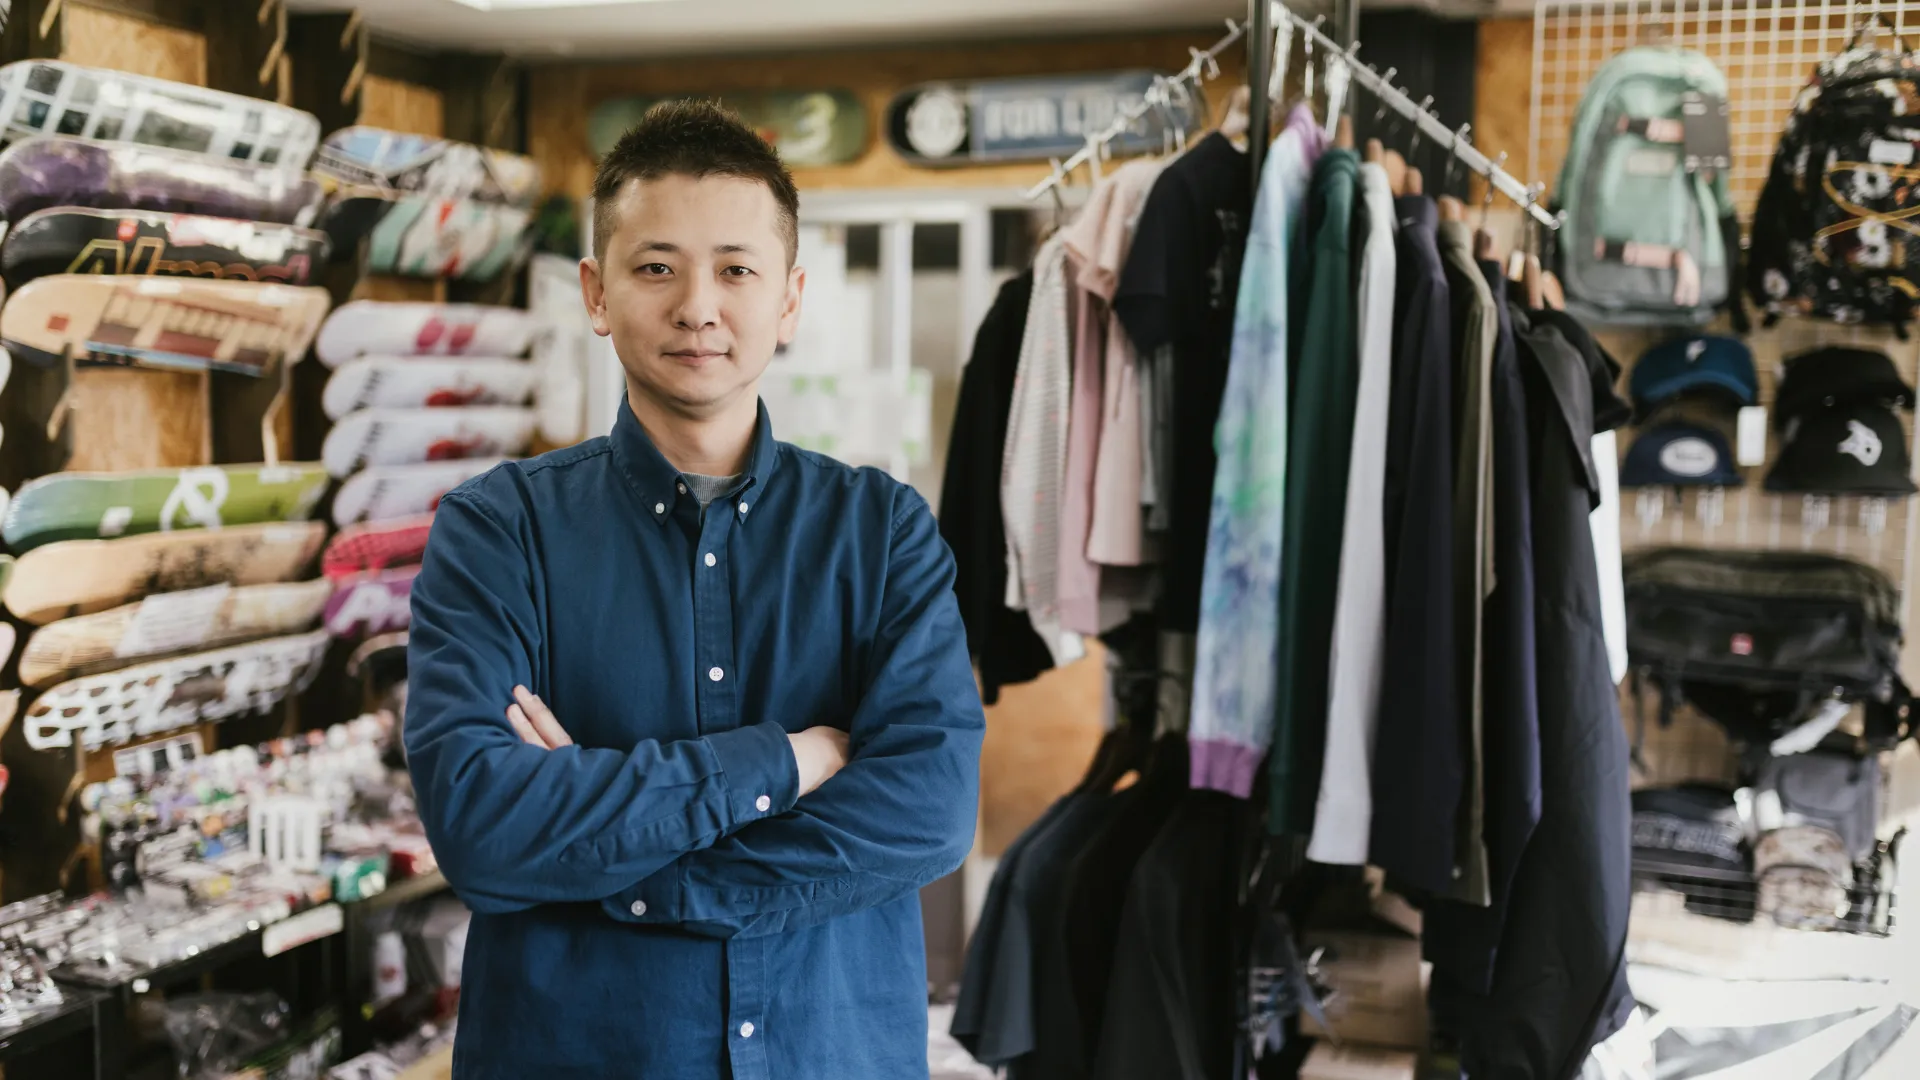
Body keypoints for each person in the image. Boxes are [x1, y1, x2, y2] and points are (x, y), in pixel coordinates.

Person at [404, 99, 985, 1079]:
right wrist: (786, 762)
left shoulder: (881, 531)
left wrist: (621, 860)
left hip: (828, 1054)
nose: (699, 306)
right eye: (657, 267)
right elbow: (483, 826)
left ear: (790, 298)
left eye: (738, 270)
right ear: (596, 292)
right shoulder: (498, 529)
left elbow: (926, 807)